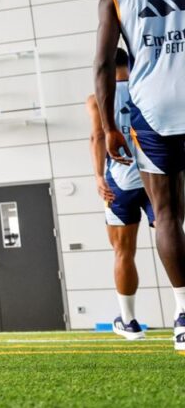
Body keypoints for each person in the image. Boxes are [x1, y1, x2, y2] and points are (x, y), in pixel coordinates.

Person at [95, 0, 185, 352]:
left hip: (155, 116)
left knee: (167, 216)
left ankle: (183, 315)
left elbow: (100, 66)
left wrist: (111, 127)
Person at [86, 47, 151, 340]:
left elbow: (98, 136)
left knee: (123, 251)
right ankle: (182, 311)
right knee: (173, 238)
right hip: (156, 178)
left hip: (119, 182)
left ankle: (129, 322)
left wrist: (99, 176)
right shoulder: (147, 87)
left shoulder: (96, 100)